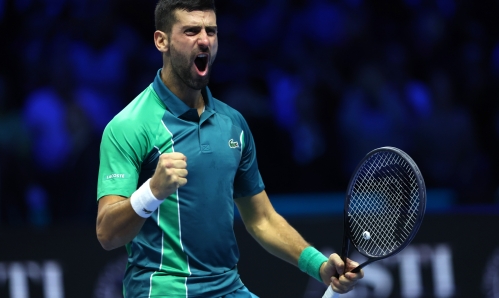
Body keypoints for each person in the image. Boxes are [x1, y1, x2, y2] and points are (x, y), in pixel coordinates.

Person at [95, 0, 363, 297]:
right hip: (163, 288)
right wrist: (152, 191)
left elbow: (261, 218)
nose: (204, 40)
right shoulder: (129, 126)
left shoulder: (232, 123)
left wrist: (320, 265)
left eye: (211, 31)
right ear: (162, 41)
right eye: (191, 31)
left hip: (227, 287)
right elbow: (107, 233)